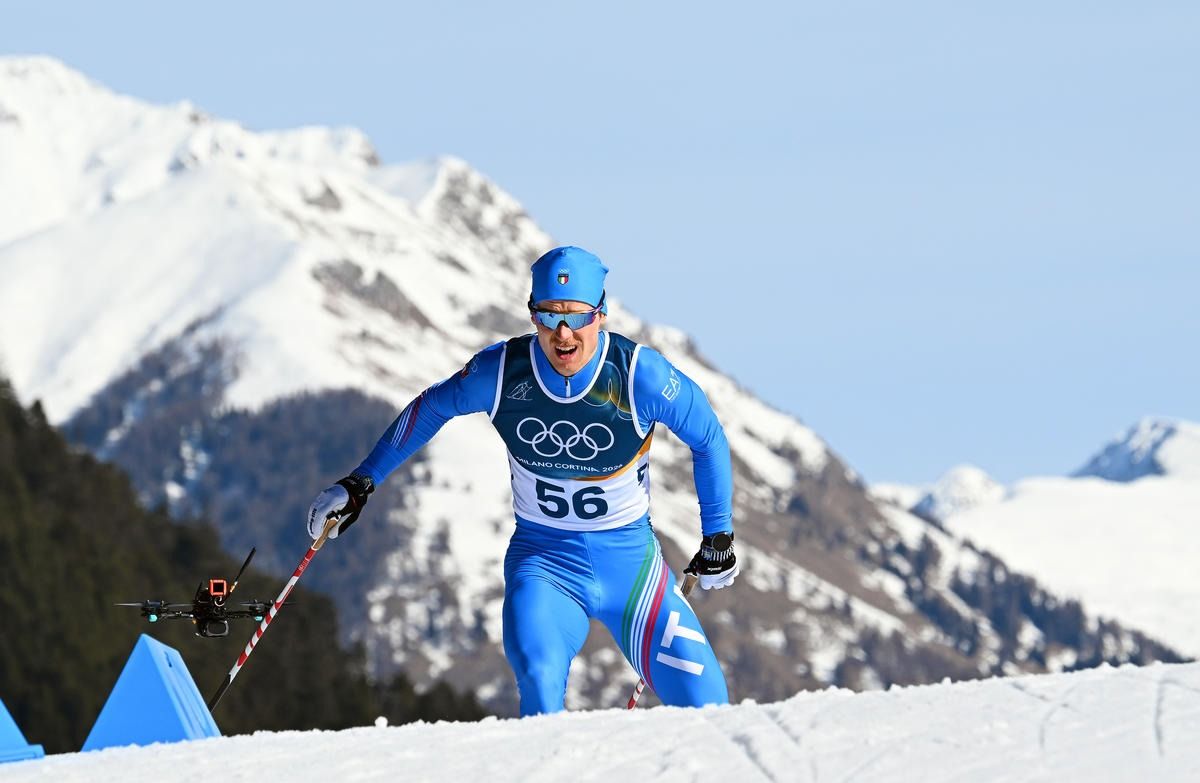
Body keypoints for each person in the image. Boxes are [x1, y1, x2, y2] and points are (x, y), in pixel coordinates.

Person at [307, 246, 739, 715]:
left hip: (634, 572)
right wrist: (361, 483)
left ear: (601, 315)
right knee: (539, 682)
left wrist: (718, 535)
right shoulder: (501, 372)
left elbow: (708, 437)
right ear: (532, 314)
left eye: (576, 317)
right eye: (549, 316)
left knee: (710, 709)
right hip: (545, 565)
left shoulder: (639, 376)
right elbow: (430, 408)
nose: (562, 333)